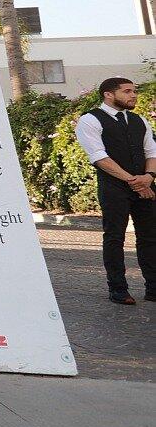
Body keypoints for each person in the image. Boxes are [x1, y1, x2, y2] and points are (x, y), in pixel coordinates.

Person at [74, 77, 156, 304]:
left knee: (151, 237)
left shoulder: (140, 120)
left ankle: (153, 288)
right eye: (127, 91)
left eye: (134, 91)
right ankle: (118, 289)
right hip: (114, 187)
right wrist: (134, 181)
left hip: (145, 184)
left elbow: (152, 151)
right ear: (108, 94)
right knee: (114, 238)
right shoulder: (90, 120)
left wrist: (148, 177)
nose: (133, 95)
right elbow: (99, 157)